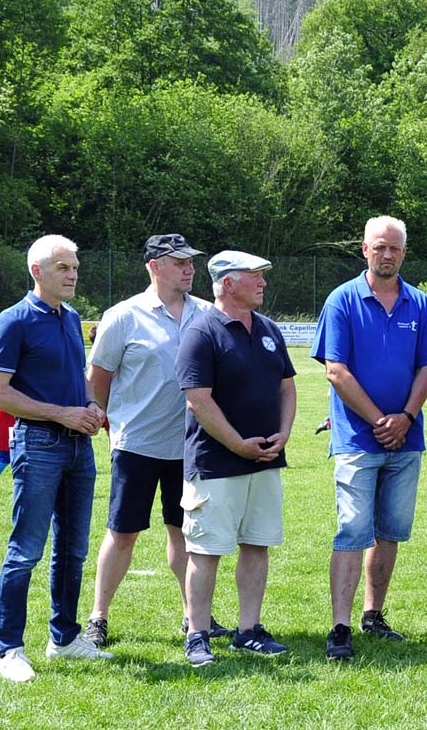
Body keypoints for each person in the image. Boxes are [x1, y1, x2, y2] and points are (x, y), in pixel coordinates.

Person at [82, 234, 231, 650]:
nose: (189, 268)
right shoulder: (123, 317)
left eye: (191, 262)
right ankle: (98, 616)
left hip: (191, 448)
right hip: (137, 446)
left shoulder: (206, 314)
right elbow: (98, 381)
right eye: (179, 261)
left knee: (184, 533)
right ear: (154, 266)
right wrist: (105, 423)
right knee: (123, 532)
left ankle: (194, 617)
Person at [311, 216, 427, 660]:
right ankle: (340, 627)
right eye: (380, 247)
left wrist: (405, 417)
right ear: (364, 249)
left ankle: (373, 615)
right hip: (356, 441)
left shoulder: (420, 303)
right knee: (351, 530)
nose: (388, 255)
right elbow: (335, 371)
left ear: (404, 252)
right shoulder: (342, 300)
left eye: (396, 249)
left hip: (407, 440)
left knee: (390, 532)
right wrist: (379, 421)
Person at [0, 234, 113, 683]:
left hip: (79, 448)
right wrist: (62, 413)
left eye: (75, 266)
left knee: (73, 551)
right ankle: (9, 651)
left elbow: (74, 378)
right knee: (26, 552)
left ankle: (64, 639)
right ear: (37, 271)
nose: (73, 274)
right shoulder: (13, 321)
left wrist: (92, 406)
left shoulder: (71, 317)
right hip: (37, 445)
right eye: (63, 267)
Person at [175, 251, 297, 667]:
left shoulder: (267, 329)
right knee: (206, 550)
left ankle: (249, 630)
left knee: (257, 544)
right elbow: (198, 401)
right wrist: (237, 443)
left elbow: (287, 388)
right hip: (216, 463)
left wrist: (284, 432)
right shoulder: (201, 331)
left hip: (264, 461)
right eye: (254, 275)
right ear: (228, 283)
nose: (263, 282)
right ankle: (198, 634)